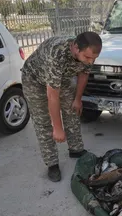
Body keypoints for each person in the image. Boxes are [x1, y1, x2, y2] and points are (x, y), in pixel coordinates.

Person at [21, 32, 102, 182]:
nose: (91, 62)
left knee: (72, 109)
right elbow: (52, 96)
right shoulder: (56, 53)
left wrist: (78, 99)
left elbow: (84, 75)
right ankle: (52, 163)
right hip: (34, 79)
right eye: (88, 58)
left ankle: (76, 149)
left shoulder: (88, 53)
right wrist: (58, 128)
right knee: (43, 121)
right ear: (76, 48)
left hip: (61, 78)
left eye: (94, 58)